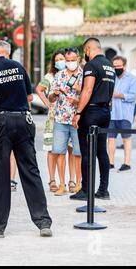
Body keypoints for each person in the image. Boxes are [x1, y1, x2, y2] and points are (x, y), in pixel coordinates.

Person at [0, 40, 53, 238]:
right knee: (30, 171)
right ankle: (43, 222)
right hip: (23, 120)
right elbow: (30, 97)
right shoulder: (17, 66)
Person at [71, 38, 115, 201]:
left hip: (92, 112)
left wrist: (78, 112)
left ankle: (86, 191)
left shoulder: (91, 65)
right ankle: (103, 190)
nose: (85, 54)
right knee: (101, 151)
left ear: (88, 49)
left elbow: (88, 90)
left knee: (87, 152)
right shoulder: (109, 65)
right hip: (105, 111)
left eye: (85, 51)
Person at [49, 48, 83, 196]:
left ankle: (78, 184)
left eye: (72, 60)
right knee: (59, 152)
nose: (69, 63)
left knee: (78, 153)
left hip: (77, 119)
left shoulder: (84, 75)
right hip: (60, 119)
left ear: (79, 59)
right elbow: (50, 97)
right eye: (67, 61)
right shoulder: (59, 75)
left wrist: (78, 94)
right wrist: (54, 94)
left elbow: (89, 96)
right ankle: (61, 184)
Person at [36, 49, 65, 192]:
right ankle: (52, 180)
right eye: (57, 59)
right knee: (51, 149)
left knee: (66, 150)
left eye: (62, 58)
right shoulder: (50, 76)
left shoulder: (72, 75)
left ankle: (66, 181)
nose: (60, 61)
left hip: (68, 117)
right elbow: (39, 89)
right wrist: (47, 104)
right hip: (53, 117)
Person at [0, 40, 20, 192]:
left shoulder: (17, 69)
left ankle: (10, 179)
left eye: (1, 54)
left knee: (10, 150)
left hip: (12, 114)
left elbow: (27, 96)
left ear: (7, 53)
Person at [108, 55, 136, 172]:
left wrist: (119, 95)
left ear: (124, 66)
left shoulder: (132, 79)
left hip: (125, 115)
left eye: (118, 66)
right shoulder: (111, 78)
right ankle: (110, 163)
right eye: (114, 66)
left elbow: (133, 96)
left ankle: (127, 163)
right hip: (112, 114)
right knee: (110, 138)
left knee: (126, 139)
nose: (116, 68)